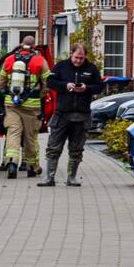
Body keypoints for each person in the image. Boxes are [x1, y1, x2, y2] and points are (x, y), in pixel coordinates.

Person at [39, 43, 103, 187]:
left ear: (85, 56)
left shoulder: (91, 69)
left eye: (81, 58)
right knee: (53, 147)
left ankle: (71, 178)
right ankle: (49, 178)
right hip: (62, 114)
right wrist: (65, 85)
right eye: (76, 57)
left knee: (76, 149)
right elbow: (50, 82)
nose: (78, 61)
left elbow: (99, 86)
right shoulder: (61, 66)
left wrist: (87, 88)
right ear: (71, 54)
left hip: (82, 115)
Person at [0, 36, 50, 179]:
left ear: (21, 44)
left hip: (12, 104)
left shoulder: (9, 60)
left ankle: (12, 163)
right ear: (34, 46)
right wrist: (39, 95)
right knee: (30, 137)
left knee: (13, 133)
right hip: (32, 105)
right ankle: (32, 167)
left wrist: (7, 95)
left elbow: (0, 84)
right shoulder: (40, 61)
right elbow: (48, 84)